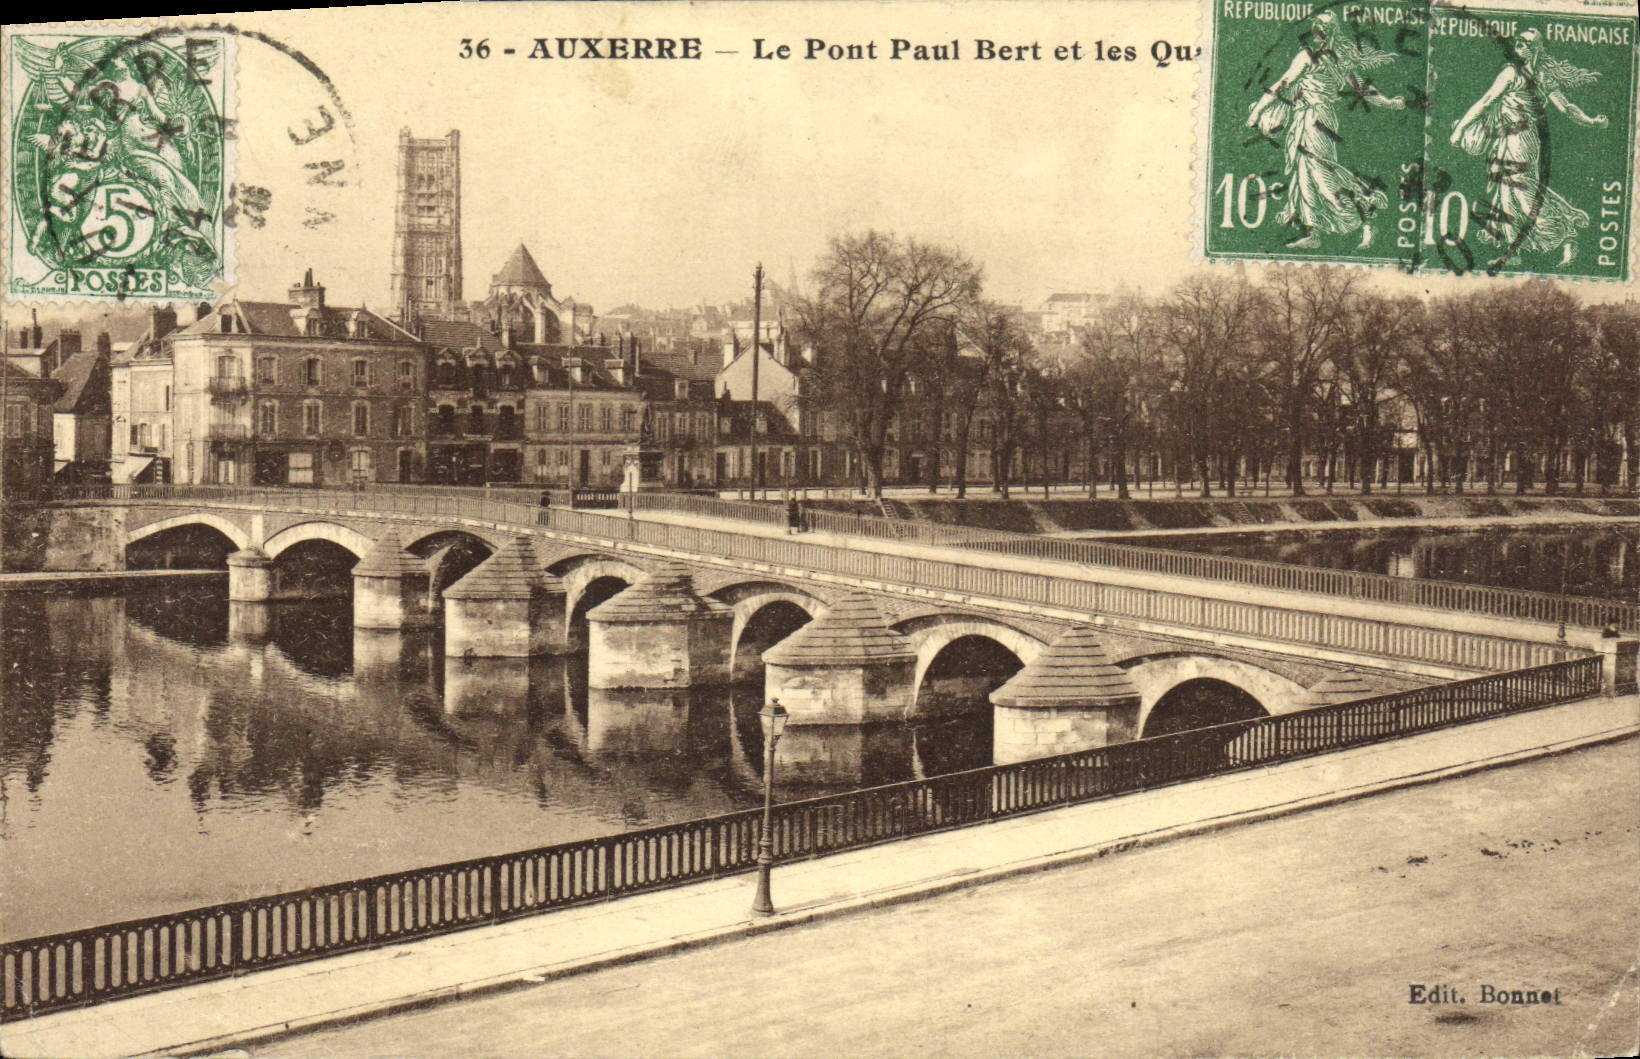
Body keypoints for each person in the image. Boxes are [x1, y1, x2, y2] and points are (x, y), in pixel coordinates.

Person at [1246, 11, 1406, 250]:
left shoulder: (1313, 57)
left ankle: (1365, 215)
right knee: (1305, 174)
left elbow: (1283, 84)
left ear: (1331, 31)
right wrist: (1388, 102)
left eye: (1323, 25)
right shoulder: (1331, 58)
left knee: (1321, 174)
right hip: (1312, 117)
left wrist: (1256, 112)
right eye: (1317, 23)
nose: (1318, 28)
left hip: (1315, 118)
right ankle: (1313, 232)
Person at [1449, 28, 1608, 265]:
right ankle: (1514, 252)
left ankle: (1565, 236)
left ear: (1533, 50)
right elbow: (1488, 102)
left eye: (1523, 44)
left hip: (1522, 141)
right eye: (1518, 43)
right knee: (1507, 193)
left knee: (1524, 196)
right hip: (1511, 139)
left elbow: (1566, 107)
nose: (1518, 47)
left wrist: (1591, 121)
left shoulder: (1521, 75)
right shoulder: (1518, 73)